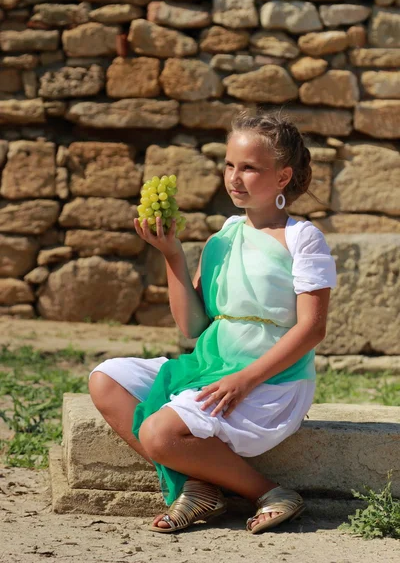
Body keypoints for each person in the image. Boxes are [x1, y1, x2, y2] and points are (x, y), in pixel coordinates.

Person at [89, 111, 337, 535]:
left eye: (249, 168)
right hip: (212, 365)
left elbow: (312, 328)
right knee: (106, 379)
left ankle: (271, 491)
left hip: (270, 381)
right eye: (229, 165)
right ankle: (199, 485)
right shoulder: (223, 235)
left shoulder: (303, 238)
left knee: (159, 434)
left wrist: (244, 380)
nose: (234, 178)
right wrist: (171, 253)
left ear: (283, 177)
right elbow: (192, 325)